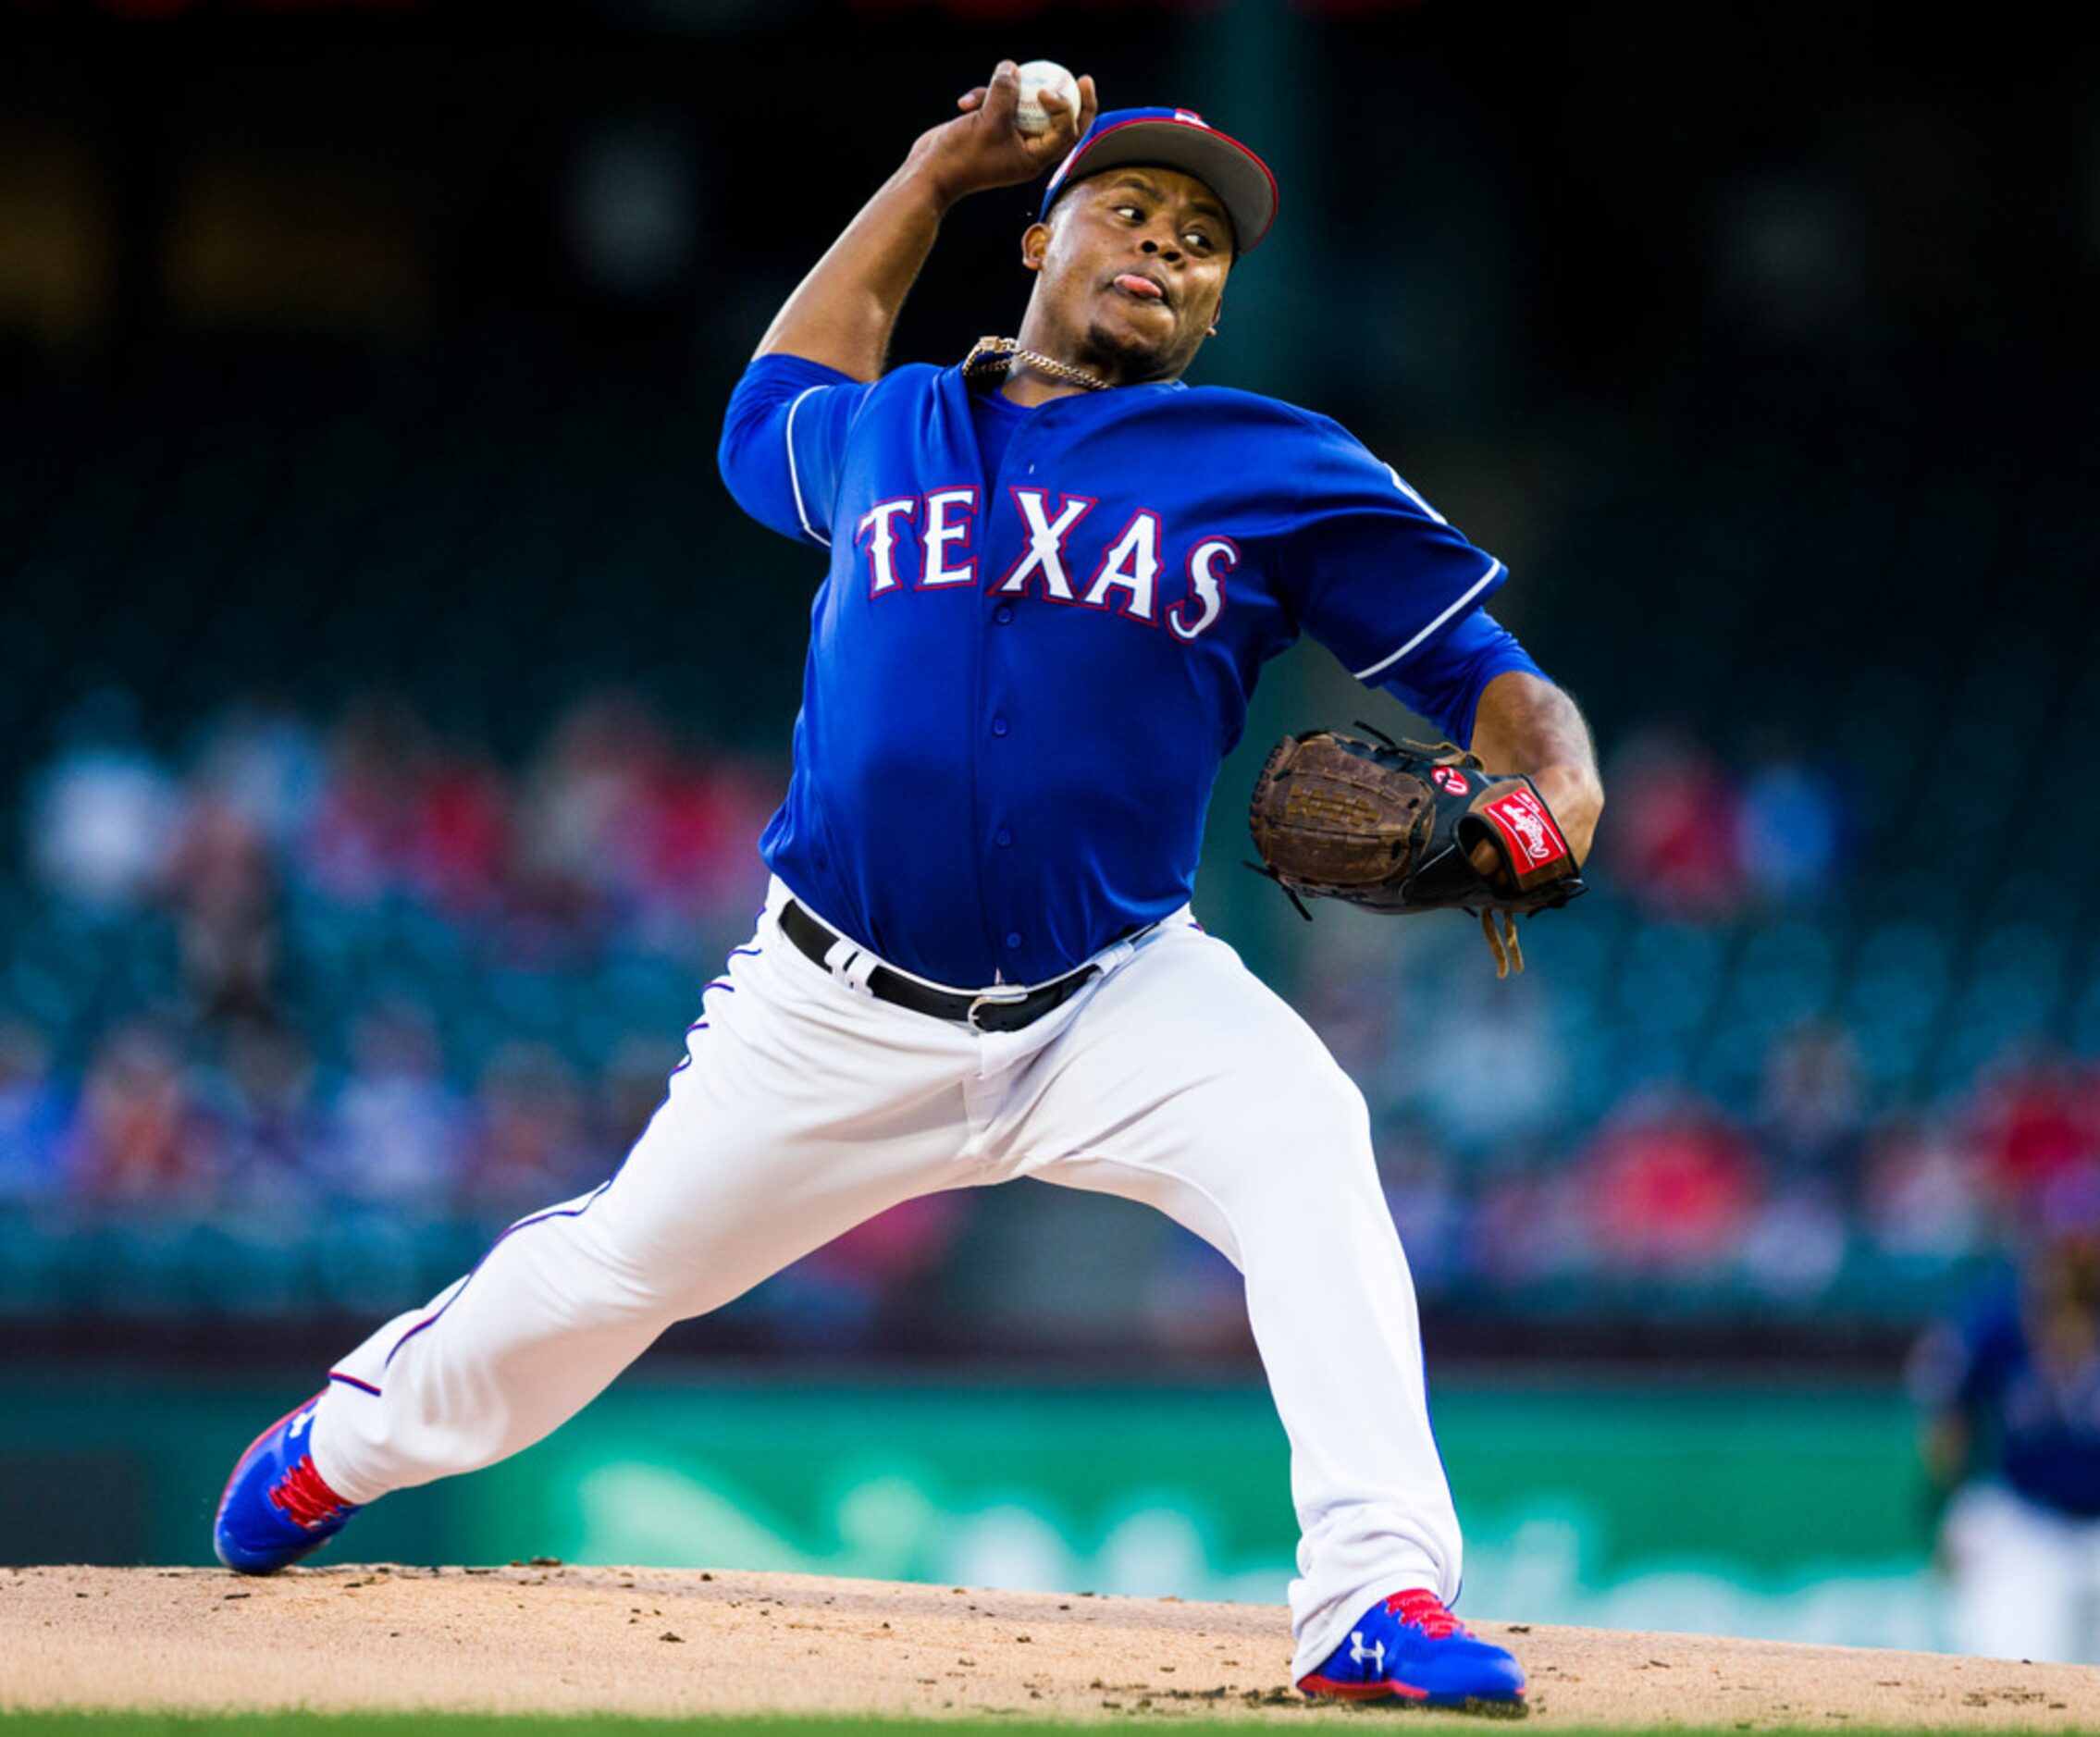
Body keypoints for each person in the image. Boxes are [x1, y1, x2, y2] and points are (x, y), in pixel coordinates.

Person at [212, 63, 1604, 1708]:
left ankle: (1373, 1597)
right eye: (1130, 211)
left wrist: (1558, 797)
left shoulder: (1267, 461)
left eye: (1203, 242)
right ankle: (349, 1440)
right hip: (832, 1004)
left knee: (1310, 1138)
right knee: (610, 1273)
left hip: (1117, 993)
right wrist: (933, 173)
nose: (1167, 246)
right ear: (1044, 240)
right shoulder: (892, 426)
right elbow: (757, 416)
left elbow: (1501, 685)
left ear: (1221, 304)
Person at [1914, 1165, 2100, 1664]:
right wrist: (1953, 1513)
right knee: (2014, 1671)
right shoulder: (1998, 1322)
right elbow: (1948, 1422)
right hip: (2029, 1521)